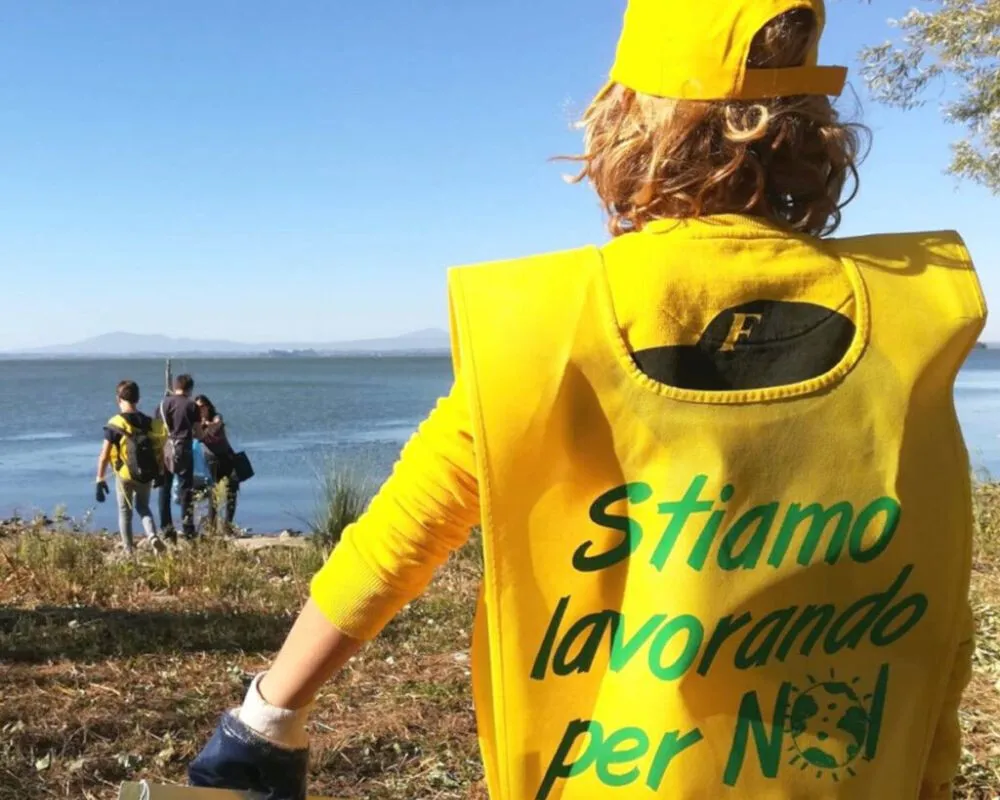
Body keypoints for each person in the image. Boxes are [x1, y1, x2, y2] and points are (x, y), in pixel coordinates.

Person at [189, 2, 986, 798]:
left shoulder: (551, 326)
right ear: (814, 129)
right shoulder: (908, 321)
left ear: (626, 123)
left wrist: (267, 718)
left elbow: (400, 538)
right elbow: (939, 611)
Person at [96, 380, 167, 555]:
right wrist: (160, 472)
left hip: (124, 474)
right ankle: (152, 535)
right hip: (146, 473)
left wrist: (100, 479)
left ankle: (129, 551)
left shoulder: (116, 423)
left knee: (125, 512)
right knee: (143, 507)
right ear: (138, 399)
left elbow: (104, 455)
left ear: (118, 399)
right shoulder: (150, 422)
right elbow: (160, 450)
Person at [156, 374, 199, 541]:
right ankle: (188, 529)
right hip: (184, 448)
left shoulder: (162, 404)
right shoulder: (191, 405)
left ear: (175, 387)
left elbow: (156, 428)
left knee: (164, 489)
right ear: (190, 388)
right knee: (186, 489)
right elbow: (198, 432)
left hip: (165, 448)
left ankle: (166, 529)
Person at [194, 394, 239, 532]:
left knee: (232, 490)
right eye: (197, 407)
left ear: (208, 406)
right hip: (211, 459)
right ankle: (212, 528)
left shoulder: (216, 417)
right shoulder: (195, 423)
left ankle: (228, 525)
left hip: (227, 456)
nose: (200, 409)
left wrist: (206, 423)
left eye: (202, 406)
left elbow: (218, 424)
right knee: (213, 493)